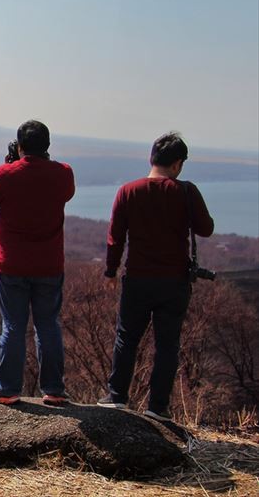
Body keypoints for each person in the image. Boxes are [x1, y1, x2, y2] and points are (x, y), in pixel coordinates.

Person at [98, 132, 214, 422]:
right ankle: (157, 407)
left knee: (127, 337)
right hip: (174, 281)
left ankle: (116, 397)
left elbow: (115, 238)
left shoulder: (128, 191)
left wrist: (111, 271)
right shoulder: (186, 192)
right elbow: (206, 228)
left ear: (152, 158)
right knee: (167, 344)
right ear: (177, 164)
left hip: (137, 277)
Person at [0, 120, 75, 405]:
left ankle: (7, 389)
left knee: (13, 327)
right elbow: (66, 193)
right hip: (49, 265)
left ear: (19, 146)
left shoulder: (6, 174)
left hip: (12, 265)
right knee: (48, 326)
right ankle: (54, 390)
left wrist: (9, 165)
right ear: (47, 146)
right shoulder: (63, 173)